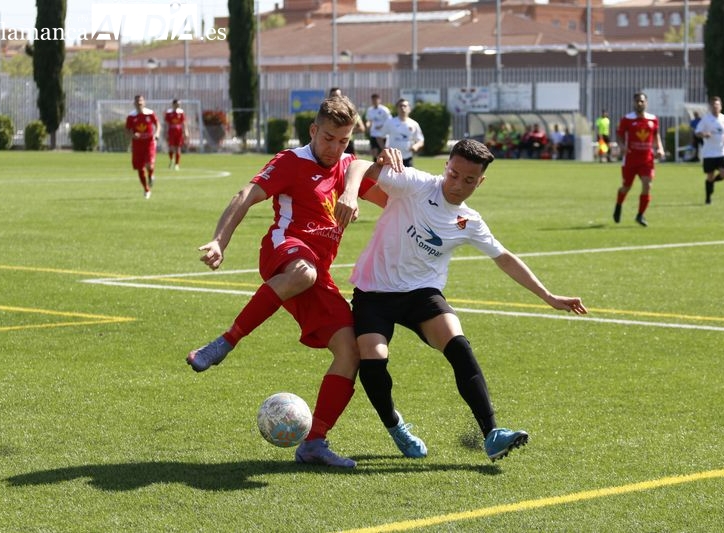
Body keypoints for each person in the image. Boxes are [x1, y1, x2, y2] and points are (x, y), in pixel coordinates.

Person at [340, 140, 588, 462]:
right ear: (446, 166)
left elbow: (505, 258)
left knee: (458, 344)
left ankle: (492, 434)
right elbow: (357, 165)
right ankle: (396, 426)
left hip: (421, 294)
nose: (458, 185)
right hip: (374, 291)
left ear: (480, 181)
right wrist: (349, 193)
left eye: (469, 180)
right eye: (454, 174)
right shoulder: (416, 184)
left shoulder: (469, 221)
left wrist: (549, 296)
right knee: (372, 362)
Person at [186, 95, 392, 468]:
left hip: (318, 275)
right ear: (313, 130)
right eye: (328, 137)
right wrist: (220, 240)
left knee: (351, 351)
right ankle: (225, 342)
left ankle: (314, 443)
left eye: (343, 140)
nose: (334, 147)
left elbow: (393, 201)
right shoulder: (291, 161)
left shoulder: (349, 167)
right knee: (304, 271)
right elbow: (245, 195)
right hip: (285, 251)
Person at [613, 92, 664, 227]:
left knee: (647, 185)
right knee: (626, 187)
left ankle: (640, 215)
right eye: (637, 101)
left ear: (646, 103)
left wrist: (660, 148)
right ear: (633, 103)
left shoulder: (653, 119)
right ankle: (618, 204)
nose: (639, 103)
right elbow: (619, 136)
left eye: (642, 101)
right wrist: (622, 146)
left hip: (647, 159)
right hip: (630, 159)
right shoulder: (627, 119)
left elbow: (656, 135)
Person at [694, 96, 724, 205]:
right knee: (710, 175)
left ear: (721, 106)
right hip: (709, 153)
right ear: (710, 107)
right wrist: (704, 134)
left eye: (717, 105)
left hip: (721, 151)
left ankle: (711, 183)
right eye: (714, 105)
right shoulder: (706, 119)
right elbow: (697, 132)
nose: (716, 107)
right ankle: (708, 199)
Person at [125, 95, 160, 199]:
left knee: (149, 164)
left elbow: (157, 124)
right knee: (140, 168)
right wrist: (132, 135)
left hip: (149, 143)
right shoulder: (131, 116)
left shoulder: (150, 113)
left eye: (141, 101)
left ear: (144, 102)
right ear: (134, 103)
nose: (139, 103)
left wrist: (157, 134)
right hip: (137, 145)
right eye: (137, 101)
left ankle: (151, 175)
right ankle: (146, 189)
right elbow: (126, 131)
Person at [383, 98, 424, 167]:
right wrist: (384, 148)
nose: (402, 108)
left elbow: (421, 140)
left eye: (405, 106)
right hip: (392, 159)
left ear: (409, 109)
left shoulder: (414, 124)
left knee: (409, 177)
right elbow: (380, 136)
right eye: (400, 106)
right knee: (391, 178)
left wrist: (415, 146)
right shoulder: (390, 122)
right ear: (397, 109)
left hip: (407, 158)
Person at [329, 87, 365, 154]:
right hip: (331, 144)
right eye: (333, 96)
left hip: (346, 143)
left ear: (341, 97)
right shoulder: (326, 113)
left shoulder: (349, 111)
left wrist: (345, 131)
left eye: (337, 96)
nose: (335, 98)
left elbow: (361, 128)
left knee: (350, 164)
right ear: (329, 97)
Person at [364, 93, 392, 161]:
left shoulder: (384, 110)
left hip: (383, 135)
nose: (374, 101)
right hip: (374, 133)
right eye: (373, 100)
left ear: (379, 100)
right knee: (374, 152)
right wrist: (367, 125)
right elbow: (369, 120)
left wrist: (381, 126)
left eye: (376, 100)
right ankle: (375, 165)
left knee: (384, 151)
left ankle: (385, 166)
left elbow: (390, 120)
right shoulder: (370, 110)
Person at [164, 99, 189, 170]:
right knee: (171, 148)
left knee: (178, 148)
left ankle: (177, 164)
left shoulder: (181, 112)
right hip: (171, 132)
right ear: (173, 104)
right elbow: (166, 124)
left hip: (179, 132)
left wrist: (186, 131)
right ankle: (172, 160)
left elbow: (183, 123)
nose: (178, 105)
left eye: (179, 104)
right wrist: (166, 133)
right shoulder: (169, 113)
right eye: (177, 104)